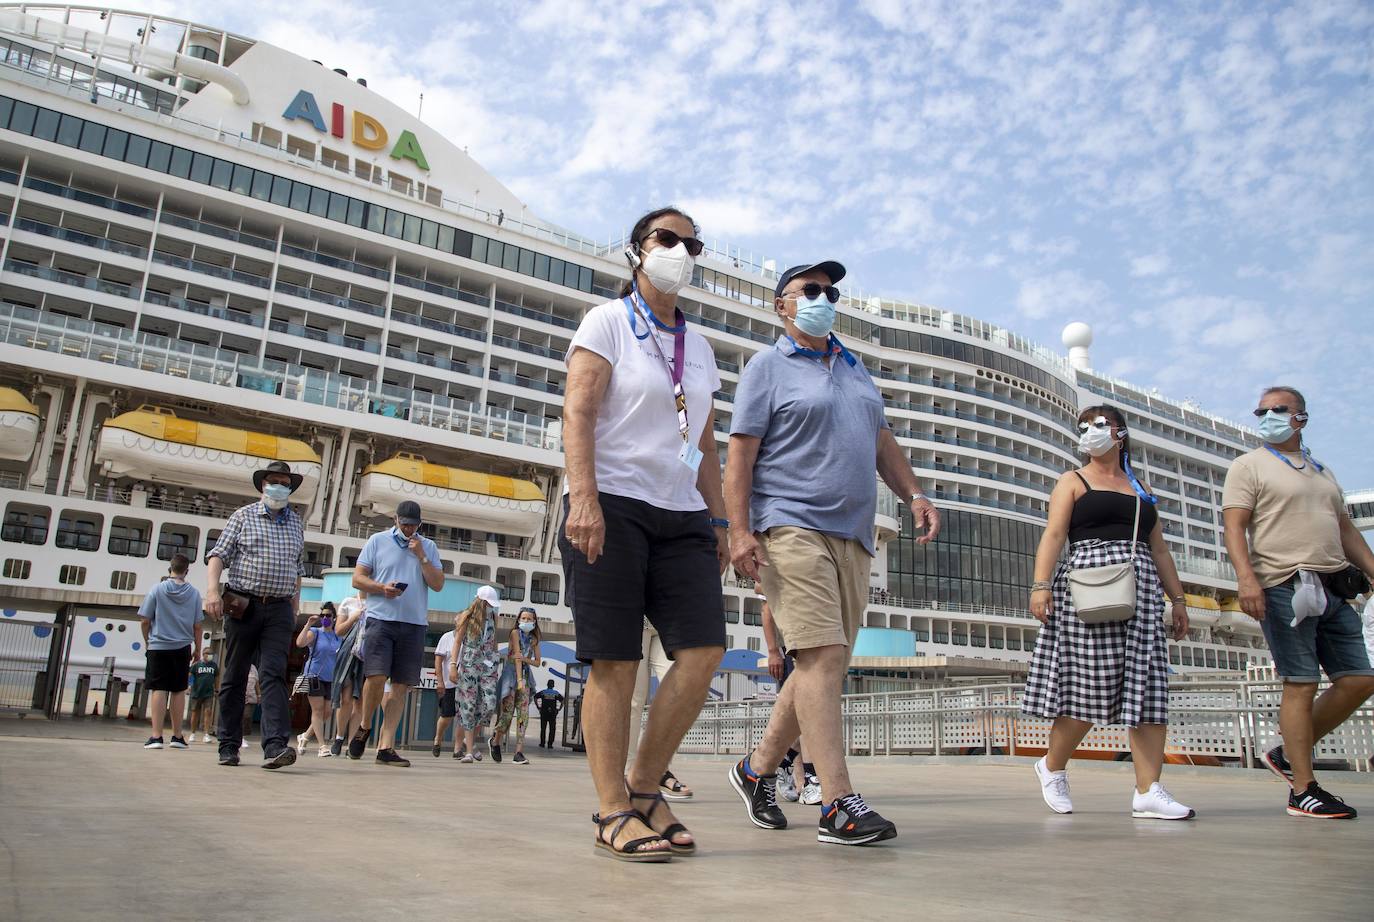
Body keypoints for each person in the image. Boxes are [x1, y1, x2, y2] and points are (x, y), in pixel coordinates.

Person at [726, 260, 940, 846]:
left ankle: (755, 770)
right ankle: (838, 802)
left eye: (831, 290)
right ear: (782, 305)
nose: (824, 298)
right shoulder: (767, 369)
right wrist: (739, 532)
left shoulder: (854, 369)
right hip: (789, 524)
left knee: (825, 664)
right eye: (811, 290)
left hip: (853, 533)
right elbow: (740, 456)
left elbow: (880, 440)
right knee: (820, 657)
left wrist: (915, 493)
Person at [561, 206, 729, 861]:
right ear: (637, 250)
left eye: (692, 243)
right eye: (668, 239)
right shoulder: (607, 322)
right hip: (614, 505)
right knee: (616, 660)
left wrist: (719, 520)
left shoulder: (703, 348)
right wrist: (585, 499)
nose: (681, 251)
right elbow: (578, 410)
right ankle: (612, 811)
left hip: (682, 513)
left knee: (703, 651)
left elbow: (705, 443)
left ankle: (642, 783)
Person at [1022, 405, 1194, 820]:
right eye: (1084, 427)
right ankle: (1051, 765)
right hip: (1088, 587)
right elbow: (1055, 533)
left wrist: (1179, 599)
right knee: (1089, 688)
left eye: (1099, 425)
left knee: (1149, 688)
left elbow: (1161, 549)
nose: (1090, 432)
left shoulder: (1140, 486)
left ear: (1120, 433)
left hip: (1143, 589)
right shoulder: (1073, 480)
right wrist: (1041, 585)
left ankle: (1148, 789)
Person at [1222, 386, 1374, 818]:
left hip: (1332, 584)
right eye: (1261, 411)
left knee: (1360, 678)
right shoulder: (1248, 466)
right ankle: (1302, 789)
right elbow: (1234, 527)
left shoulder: (1322, 471)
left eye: (1278, 409)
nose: (1267, 416)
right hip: (1283, 582)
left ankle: (1288, 752)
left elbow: (1345, 529)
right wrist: (1246, 579)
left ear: (1301, 418)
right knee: (1301, 682)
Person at [206, 460, 307, 770]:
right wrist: (212, 591)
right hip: (243, 603)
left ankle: (275, 746)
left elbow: (297, 567)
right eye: (273, 481)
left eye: (284, 482)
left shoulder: (296, 522)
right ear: (263, 485)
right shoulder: (243, 516)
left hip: (278, 607)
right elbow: (218, 556)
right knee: (235, 675)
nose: (279, 486)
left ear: (290, 488)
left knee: (274, 673)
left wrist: (294, 604)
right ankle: (228, 744)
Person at [348, 500, 445, 767]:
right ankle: (365, 725)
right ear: (395, 520)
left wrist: (422, 556)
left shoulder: (429, 547)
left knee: (401, 685)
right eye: (405, 524)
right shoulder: (377, 541)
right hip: (381, 619)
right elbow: (357, 579)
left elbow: (437, 585)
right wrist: (381, 588)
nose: (409, 529)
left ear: (420, 524)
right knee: (376, 677)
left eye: (414, 525)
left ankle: (386, 745)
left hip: (414, 624)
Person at [139, 553, 203, 750]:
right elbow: (198, 626)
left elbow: (145, 620)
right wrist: (197, 650)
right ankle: (177, 736)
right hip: (182, 647)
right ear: (186, 571)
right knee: (177, 690)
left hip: (158, 645)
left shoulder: (156, 589)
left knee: (159, 688)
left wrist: (147, 641)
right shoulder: (194, 593)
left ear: (170, 569)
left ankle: (156, 736)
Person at [626, 623, 694, 799]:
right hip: (635, 615)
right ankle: (629, 774)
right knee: (634, 701)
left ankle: (654, 769)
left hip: (665, 617)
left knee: (681, 692)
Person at [761, 596, 817, 805]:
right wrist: (773, 651)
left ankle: (786, 763)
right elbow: (766, 605)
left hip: (813, 645)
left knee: (805, 715)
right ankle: (810, 778)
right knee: (805, 714)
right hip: (791, 649)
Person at [451, 586, 502, 763]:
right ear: (482, 602)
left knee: (489, 704)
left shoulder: (494, 617)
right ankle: (469, 751)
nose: (492, 607)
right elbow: (458, 642)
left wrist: (495, 663)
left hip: (488, 666)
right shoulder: (468, 617)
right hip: (469, 664)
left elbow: (494, 642)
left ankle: (469, 739)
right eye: (489, 603)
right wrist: (452, 665)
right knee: (469, 706)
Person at [492, 606, 541, 765]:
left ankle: (518, 752)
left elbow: (537, 662)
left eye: (529, 619)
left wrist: (525, 661)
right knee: (507, 714)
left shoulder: (534, 639)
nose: (526, 621)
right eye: (524, 618)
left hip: (526, 675)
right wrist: (519, 680)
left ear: (534, 621)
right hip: (512, 674)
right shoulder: (515, 633)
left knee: (523, 715)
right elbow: (517, 658)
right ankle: (496, 740)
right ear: (519, 619)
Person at [294, 601, 342, 758]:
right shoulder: (315, 632)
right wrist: (308, 624)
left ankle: (305, 736)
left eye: (328, 615)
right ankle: (322, 745)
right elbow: (300, 643)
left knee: (327, 712)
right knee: (318, 710)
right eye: (323, 615)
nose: (325, 618)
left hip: (331, 678)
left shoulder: (337, 636)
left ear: (334, 618)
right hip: (314, 676)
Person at [328, 593, 367, 757]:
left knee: (360, 703)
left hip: (368, 653)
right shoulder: (348, 602)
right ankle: (339, 737)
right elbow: (338, 630)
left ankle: (351, 744)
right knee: (346, 699)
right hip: (349, 654)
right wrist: (354, 618)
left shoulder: (378, 602)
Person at [433, 610, 464, 758]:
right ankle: (438, 738)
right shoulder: (446, 637)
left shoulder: (471, 639)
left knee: (464, 717)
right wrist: (440, 681)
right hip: (448, 683)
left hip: (465, 685)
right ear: (456, 620)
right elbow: (438, 660)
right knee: (447, 716)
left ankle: (457, 748)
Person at [186, 647, 218, 744]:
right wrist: (189, 686)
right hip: (197, 692)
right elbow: (190, 675)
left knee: (208, 712)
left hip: (208, 693)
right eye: (208, 653)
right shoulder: (196, 665)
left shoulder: (214, 666)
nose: (210, 655)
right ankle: (192, 733)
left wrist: (216, 689)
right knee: (195, 713)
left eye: (211, 653)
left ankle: (206, 734)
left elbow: (216, 677)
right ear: (204, 654)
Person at [534, 679, 564, 749]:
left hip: (544, 712)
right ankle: (550, 744)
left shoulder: (543, 692)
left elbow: (535, 697)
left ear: (547, 685)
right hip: (552, 713)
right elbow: (562, 700)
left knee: (543, 728)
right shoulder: (556, 693)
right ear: (553, 685)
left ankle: (542, 743)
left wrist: (538, 706)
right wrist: (559, 709)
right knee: (552, 729)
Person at [242, 663, 260, 749]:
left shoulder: (253, 668)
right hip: (240, 696)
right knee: (238, 716)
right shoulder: (239, 664)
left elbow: (256, 682)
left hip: (251, 697)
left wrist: (259, 695)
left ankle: (243, 737)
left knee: (247, 716)